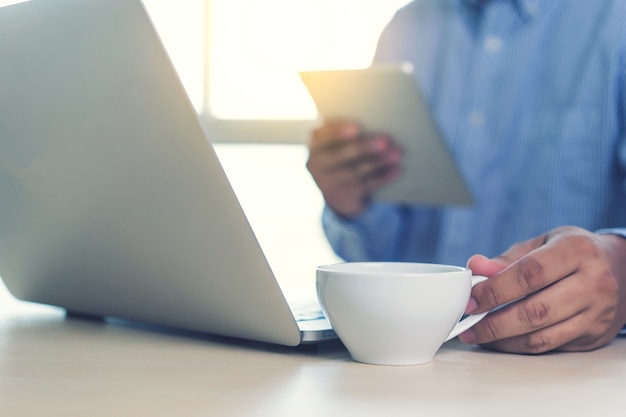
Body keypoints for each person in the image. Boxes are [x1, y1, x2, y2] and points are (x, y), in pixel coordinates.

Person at [306, 0, 626, 354]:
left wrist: (621, 266)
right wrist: (353, 206)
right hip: (405, 363)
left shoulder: (616, 21)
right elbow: (385, 256)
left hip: (559, 376)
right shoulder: (407, 26)